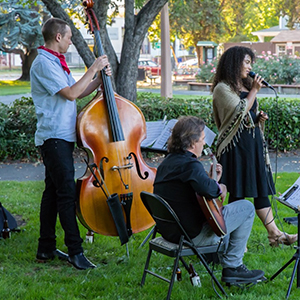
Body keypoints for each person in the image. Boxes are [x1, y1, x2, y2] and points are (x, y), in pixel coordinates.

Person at [30, 17, 111, 270]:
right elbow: (70, 94)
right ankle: (75, 252)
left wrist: (99, 82)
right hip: (53, 137)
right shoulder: (44, 62)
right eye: (68, 37)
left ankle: (45, 248)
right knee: (66, 195)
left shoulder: (56, 62)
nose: (70, 42)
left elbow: (75, 92)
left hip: (62, 136)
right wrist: (94, 67)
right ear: (57, 37)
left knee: (52, 193)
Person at [153, 116, 265, 284]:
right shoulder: (190, 165)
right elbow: (211, 191)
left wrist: (213, 180)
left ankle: (225, 259)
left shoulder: (167, 163)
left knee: (222, 214)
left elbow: (201, 189)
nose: (204, 144)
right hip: (192, 236)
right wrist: (220, 186)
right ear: (192, 142)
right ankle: (233, 267)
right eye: (203, 139)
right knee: (247, 208)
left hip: (171, 233)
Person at [212, 46, 297, 247]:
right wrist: (255, 91)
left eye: (251, 62)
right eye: (247, 62)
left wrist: (257, 117)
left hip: (252, 147)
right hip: (234, 149)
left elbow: (247, 114)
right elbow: (238, 111)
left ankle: (274, 234)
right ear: (234, 63)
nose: (250, 67)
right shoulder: (222, 88)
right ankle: (227, 240)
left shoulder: (245, 86)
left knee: (260, 190)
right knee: (237, 193)